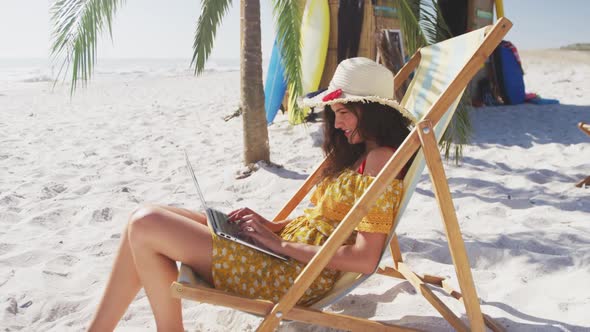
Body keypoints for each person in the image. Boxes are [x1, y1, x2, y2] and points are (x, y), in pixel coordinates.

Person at [88, 57, 415, 332]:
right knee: (141, 219)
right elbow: (325, 221)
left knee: (147, 224)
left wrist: (279, 244)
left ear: (371, 110)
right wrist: (272, 227)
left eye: (344, 111)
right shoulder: (360, 155)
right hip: (280, 256)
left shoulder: (381, 161)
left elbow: (365, 257)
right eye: (335, 112)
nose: (336, 121)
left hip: (289, 276)